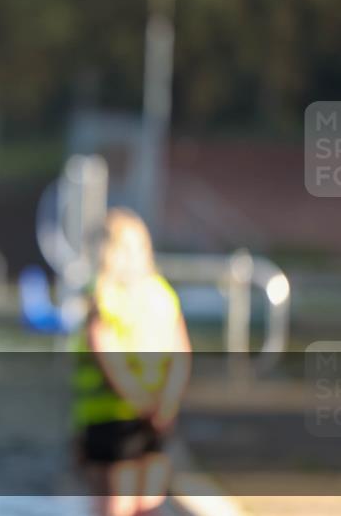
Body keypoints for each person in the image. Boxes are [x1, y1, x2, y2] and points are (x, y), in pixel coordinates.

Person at [72, 208, 191, 516]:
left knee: (115, 502)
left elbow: (108, 358)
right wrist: (165, 404)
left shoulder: (102, 296)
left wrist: (143, 403)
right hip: (156, 414)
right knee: (148, 502)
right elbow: (181, 355)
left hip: (112, 416)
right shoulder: (162, 294)